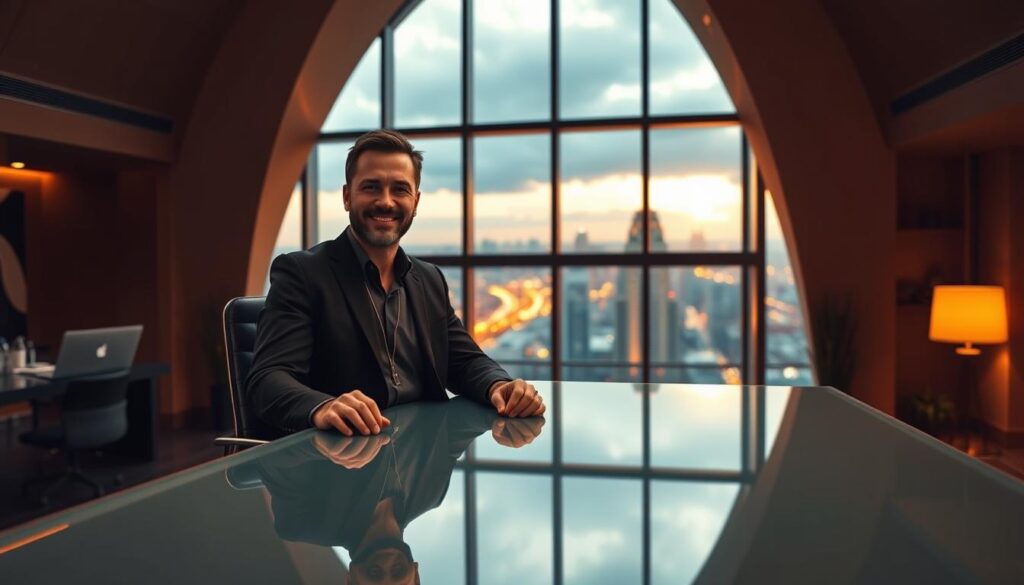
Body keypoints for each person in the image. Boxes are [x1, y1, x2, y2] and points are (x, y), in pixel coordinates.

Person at [247, 129, 545, 436]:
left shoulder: (428, 279)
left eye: (400, 189)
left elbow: (464, 361)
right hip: (342, 460)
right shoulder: (303, 274)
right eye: (371, 187)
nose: (385, 202)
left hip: (422, 459)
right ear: (348, 196)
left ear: (415, 202)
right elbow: (268, 379)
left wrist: (500, 385)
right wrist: (323, 406)